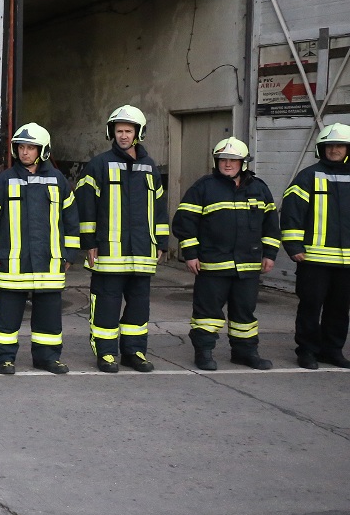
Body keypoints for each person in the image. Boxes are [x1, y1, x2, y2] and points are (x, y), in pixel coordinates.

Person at [0, 123, 80, 375]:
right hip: (13, 263)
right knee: (7, 316)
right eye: (21, 147)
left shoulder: (57, 180)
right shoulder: (5, 181)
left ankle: (47, 358)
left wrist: (69, 253)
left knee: (49, 317)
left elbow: (71, 220)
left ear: (42, 150)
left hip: (49, 262)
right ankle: (5, 358)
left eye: (31, 148)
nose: (24, 152)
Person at [75, 105, 170, 373]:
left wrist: (161, 241)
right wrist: (89, 243)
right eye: (119, 131)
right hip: (108, 253)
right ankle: (106, 353)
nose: (124, 136)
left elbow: (159, 208)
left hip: (142, 252)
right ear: (112, 133)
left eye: (128, 131)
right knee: (106, 305)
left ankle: (134, 352)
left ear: (138, 133)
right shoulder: (98, 165)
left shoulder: (150, 167)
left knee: (139, 307)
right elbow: (86, 207)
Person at [172, 137, 280, 371]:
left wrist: (270, 254)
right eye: (223, 159)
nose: (227, 164)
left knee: (245, 313)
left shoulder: (259, 189)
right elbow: (184, 222)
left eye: (233, 160)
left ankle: (245, 353)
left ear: (244, 163)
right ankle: (204, 352)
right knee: (207, 314)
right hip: (213, 265)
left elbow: (271, 225)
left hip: (248, 266)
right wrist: (190, 254)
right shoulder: (204, 187)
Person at [280, 121, 350, 370]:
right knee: (310, 307)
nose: (334, 150)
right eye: (329, 146)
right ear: (321, 149)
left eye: (340, 145)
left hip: (346, 262)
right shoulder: (308, 176)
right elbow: (292, 212)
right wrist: (293, 245)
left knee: (339, 309)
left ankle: (333, 351)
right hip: (313, 259)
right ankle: (307, 351)